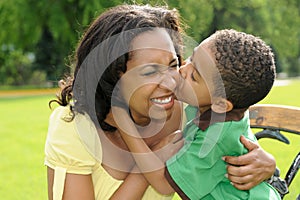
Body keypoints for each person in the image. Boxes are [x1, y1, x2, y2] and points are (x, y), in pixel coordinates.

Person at [44, 4, 276, 200]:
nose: (171, 82)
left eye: (173, 64)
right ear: (113, 76)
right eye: (150, 72)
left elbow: (233, 124)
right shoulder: (75, 127)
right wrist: (153, 157)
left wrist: (266, 165)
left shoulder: (192, 109)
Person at [113, 29, 281, 199]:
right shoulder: (224, 108)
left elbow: (163, 184)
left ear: (221, 104)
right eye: (191, 58)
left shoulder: (214, 138)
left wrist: (126, 126)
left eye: (193, 76)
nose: (183, 69)